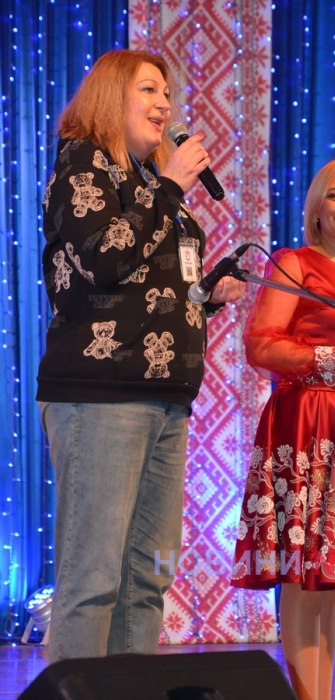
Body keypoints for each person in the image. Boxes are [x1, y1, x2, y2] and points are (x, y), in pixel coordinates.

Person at [37, 48, 244, 663]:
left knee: (149, 575)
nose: (165, 104)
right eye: (149, 90)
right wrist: (171, 185)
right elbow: (104, 259)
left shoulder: (151, 186)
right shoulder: (82, 165)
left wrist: (207, 293)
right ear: (110, 97)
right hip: (102, 395)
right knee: (94, 576)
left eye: (167, 93)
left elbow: (149, 286)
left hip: (166, 399)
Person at [231, 157, 335, 700]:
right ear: (317, 209)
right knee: (305, 579)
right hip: (306, 425)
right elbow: (261, 345)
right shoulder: (295, 263)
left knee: (332, 581)